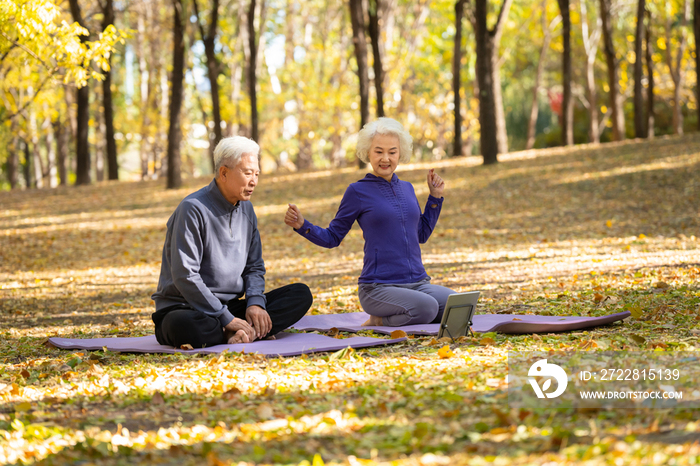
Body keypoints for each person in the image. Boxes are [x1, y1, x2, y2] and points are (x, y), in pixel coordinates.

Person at [284, 118, 454, 327]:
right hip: (378, 288)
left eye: (392, 152)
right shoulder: (357, 191)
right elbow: (333, 237)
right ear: (368, 152)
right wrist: (302, 225)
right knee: (427, 308)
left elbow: (421, 235)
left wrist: (435, 198)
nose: (385, 158)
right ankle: (378, 320)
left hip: (418, 284)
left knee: (456, 305)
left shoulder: (407, 188)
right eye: (378, 151)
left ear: (400, 154)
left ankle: (411, 312)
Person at [152, 136, 313, 348]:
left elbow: (254, 266)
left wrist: (255, 302)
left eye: (256, 174)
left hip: (229, 308)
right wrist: (224, 318)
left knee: (300, 294)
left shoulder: (247, 209)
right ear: (224, 173)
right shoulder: (192, 209)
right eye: (247, 173)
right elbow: (185, 276)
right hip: (187, 308)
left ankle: (242, 332)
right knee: (182, 325)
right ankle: (234, 333)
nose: (254, 181)